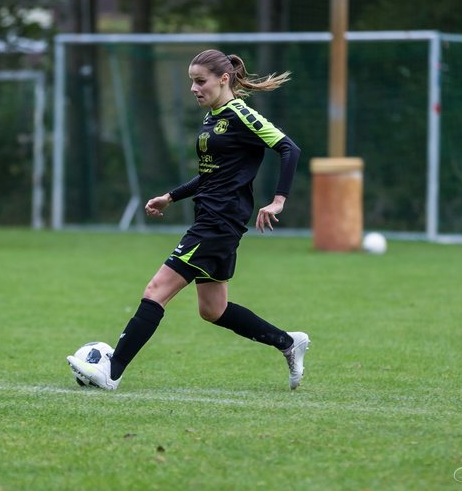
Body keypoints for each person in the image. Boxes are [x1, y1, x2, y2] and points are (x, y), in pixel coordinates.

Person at [67, 49, 311, 390]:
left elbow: (289, 148)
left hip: (218, 223)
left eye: (201, 81)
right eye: (191, 82)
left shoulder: (241, 114)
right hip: (214, 219)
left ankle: (112, 370)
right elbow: (212, 176)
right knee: (213, 309)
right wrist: (171, 196)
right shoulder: (213, 118)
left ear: (223, 79)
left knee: (156, 290)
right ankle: (288, 342)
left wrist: (279, 201)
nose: (194, 89)